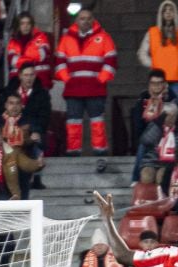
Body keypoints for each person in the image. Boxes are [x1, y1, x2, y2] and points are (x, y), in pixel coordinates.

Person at [55, 8, 117, 157]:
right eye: (82, 18)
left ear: (93, 20)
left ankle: (100, 151)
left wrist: (100, 80)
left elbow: (111, 62)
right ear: (77, 21)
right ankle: (73, 151)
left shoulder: (104, 37)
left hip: (95, 89)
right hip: (73, 90)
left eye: (89, 18)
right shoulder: (66, 39)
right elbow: (59, 63)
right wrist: (68, 80)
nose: (85, 21)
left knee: (97, 122)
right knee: (73, 123)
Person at [137, 1, 178, 104]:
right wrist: (153, 64)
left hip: (177, 77)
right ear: (161, 14)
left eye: (171, 10)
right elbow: (142, 53)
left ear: (175, 13)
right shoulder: (152, 32)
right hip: (158, 79)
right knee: (157, 110)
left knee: (175, 109)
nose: (168, 12)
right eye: (165, 10)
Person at [6, 12, 53, 89]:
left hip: (40, 81)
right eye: (22, 23)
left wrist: (21, 58)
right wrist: (32, 57)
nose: (25, 26)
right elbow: (12, 61)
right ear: (18, 26)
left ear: (32, 25)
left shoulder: (41, 37)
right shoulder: (13, 41)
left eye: (28, 23)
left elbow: (41, 55)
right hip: (18, 83)